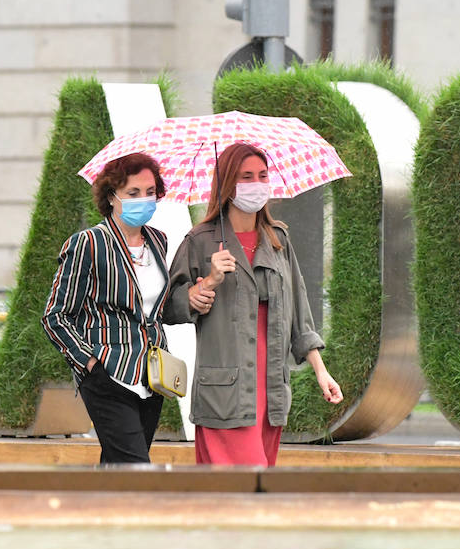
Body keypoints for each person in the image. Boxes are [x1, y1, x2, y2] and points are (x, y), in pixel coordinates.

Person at [166, 142, 342, 466]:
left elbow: (299, 314)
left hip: (272, 391)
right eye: (246, 176)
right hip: (225, 392)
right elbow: (169, 307)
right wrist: (208, 281)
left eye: (262, 175)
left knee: (252, 490)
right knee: (248, 480)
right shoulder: (200, 241)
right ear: (228, 183)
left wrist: (322, 372)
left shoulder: (278, 240)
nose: (256, 184)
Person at [42, 152, 173, 465]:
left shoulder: (159, 241)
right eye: (133, 193)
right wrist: (89, 364)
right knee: (135, 467)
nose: (144, 199)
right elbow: (55, 316)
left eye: (150, 192)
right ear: (111, 197)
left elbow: (155, 309)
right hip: (108, 374)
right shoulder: (87, 243)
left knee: (118, 470)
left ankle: (93, 512)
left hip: (152, 376)